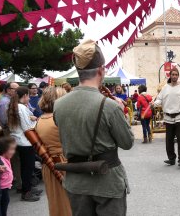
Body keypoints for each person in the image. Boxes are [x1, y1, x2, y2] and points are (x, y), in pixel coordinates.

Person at [54, 39, 134, 215]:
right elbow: (127, 143)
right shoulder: (110, 106)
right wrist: (121, 112)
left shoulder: (58, 105)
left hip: (76, 182)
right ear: (101, 70)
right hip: (107, 182)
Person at [35, 87, 72, 216]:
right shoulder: (58, 119)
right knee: (68, 205)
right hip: (64, 164)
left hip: (50, 165)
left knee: (56, 203)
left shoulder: (41, 119)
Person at [8, 86, 42, 202]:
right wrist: (36, 121)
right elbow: (27, 127)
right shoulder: (21, 107)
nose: (29, 98)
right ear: (25, 96)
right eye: (28, 96)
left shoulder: (15, 106)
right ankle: (26, 192)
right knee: (28, 168)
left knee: (25, 167)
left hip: (18, 140)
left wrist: (31, 118)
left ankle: (27, 188)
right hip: (25, 141)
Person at [0, 136, 17, 216]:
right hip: (1, 189)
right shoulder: (0, 160)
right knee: (3, 206)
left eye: (14, 149)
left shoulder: (6, 158)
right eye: (11, 149)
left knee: (5, 203)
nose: (13, 151)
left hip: (5, 188)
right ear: (4, 149)